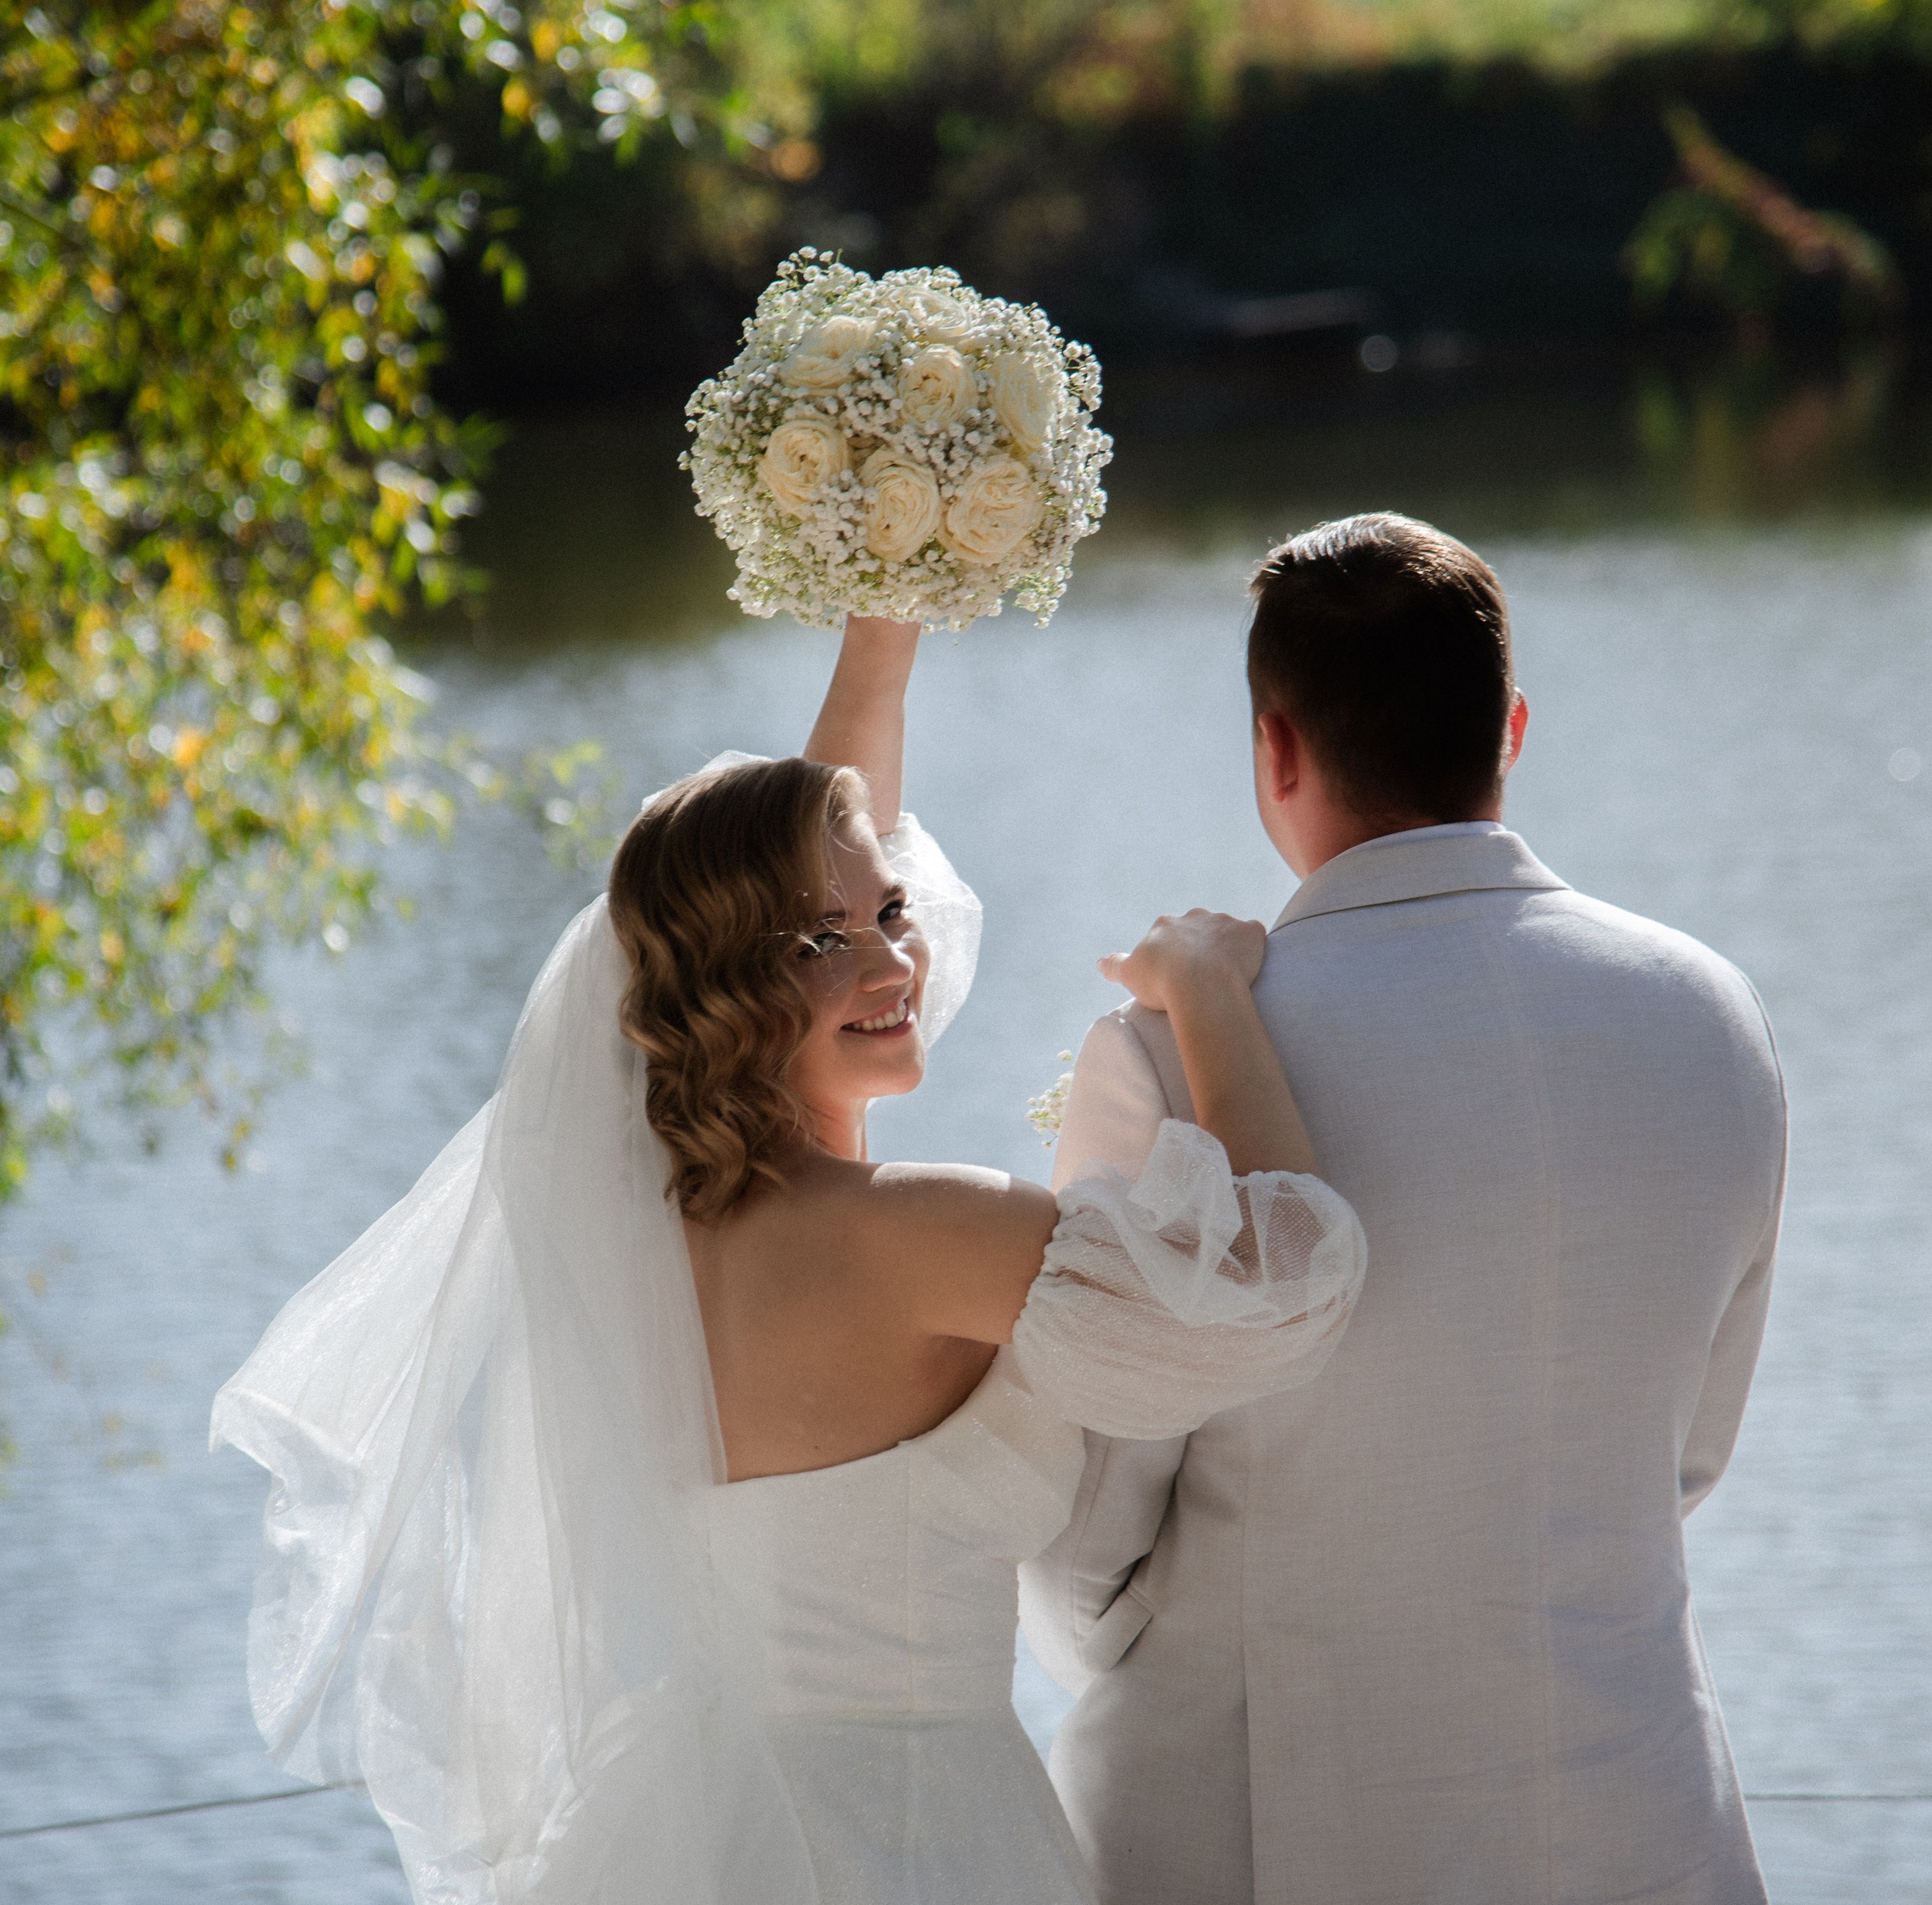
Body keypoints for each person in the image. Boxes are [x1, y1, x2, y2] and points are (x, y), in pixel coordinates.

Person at [212, 616, 1368, 1905]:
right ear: (728, 988)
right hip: (914, 1840)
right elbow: (1282, 1287)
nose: (894, 961)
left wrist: (883, 638)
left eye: (892, 912)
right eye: (824, 942)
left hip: (689, 1823)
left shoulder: (640, 1228)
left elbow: (815, 870)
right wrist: (1206, 988)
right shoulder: (910, 1234)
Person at [1022, 512, 1788, 1905]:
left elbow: (1085, 1546)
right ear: (1512, 729)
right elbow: (1686, 1459)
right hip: (1637, 1812)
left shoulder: (1168, 1056)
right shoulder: (1711, 1013)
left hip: (1257, 1817)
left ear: (1275, 747)